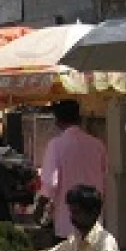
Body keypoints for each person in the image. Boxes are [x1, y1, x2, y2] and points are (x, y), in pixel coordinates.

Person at [34, 100, 108, 241]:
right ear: (79, 119)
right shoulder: (97, 145)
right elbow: (105, 181)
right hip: (93, 221)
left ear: (57, 121)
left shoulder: (56, 145)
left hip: (66, 222)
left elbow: (50, 183)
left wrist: (39, 208)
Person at [38, 185, 121, 251]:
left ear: (94, 212)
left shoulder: (107, 244)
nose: (72, 218)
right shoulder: (73, 240)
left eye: (76, 212)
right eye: (71, 212)